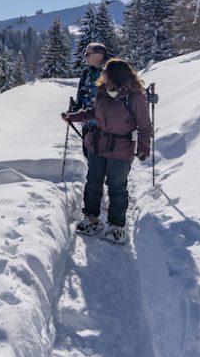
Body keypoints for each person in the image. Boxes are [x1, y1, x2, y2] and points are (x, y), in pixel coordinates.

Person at [61, 58, 152, 244]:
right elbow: (93, 112)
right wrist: (73, 116)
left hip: (121, 147)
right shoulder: (102, 91)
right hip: (98, 144)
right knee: (93, 182)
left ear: (117, 75)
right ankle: (91, 219)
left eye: (106, 73)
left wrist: (143, 148)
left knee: (117, 186)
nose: (103, 75)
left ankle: (116, 226)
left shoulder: (135, 97)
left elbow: (144, 126)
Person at [72, 43, 109, 156]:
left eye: (88, 54)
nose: (86, 57)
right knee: (88, 155)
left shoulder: (111, 72)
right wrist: (75, 107)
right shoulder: (86, 74)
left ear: (99, 56)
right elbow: (81, 97)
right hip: (88, 126)